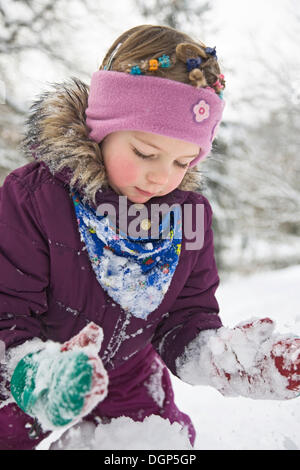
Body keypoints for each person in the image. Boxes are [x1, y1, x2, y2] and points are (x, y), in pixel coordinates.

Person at [0, 24, 299, 451]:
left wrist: (217, 359)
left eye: (183, 161)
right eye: (145, 153)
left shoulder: (187, 216)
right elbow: (6, 314)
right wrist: (37, 374)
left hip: (128, 375)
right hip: (30, 372)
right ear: (102, 128)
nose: (163, 176)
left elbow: (186, 315)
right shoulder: (34, 199)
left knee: (155, 446)